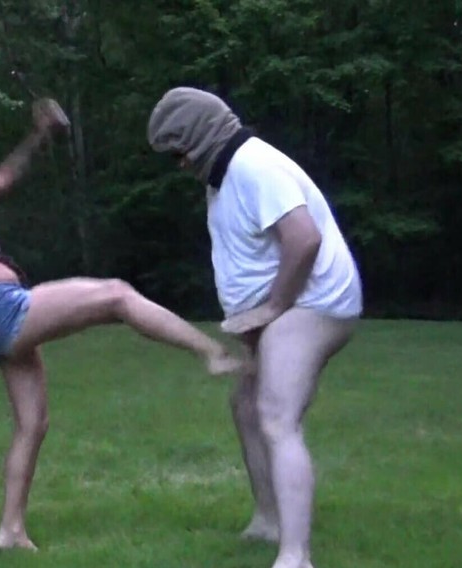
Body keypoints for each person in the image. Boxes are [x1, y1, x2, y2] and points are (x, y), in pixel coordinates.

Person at [0, 98, 247, 551]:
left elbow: (5, 178)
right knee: (116, 294)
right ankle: (210, 352)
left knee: (33, 424)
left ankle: (10, 531)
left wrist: (38, 135)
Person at [147, 87, 363, 568]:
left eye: (179, 152)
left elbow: (303, 239)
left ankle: (295, 556)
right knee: (246, 406)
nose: (179, 165)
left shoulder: (253, 166)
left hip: (314, 303)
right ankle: (269, 520)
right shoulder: (225, 176)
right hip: (291, 307)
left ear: (201, 138)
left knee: (276, 417)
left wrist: (274, 307)